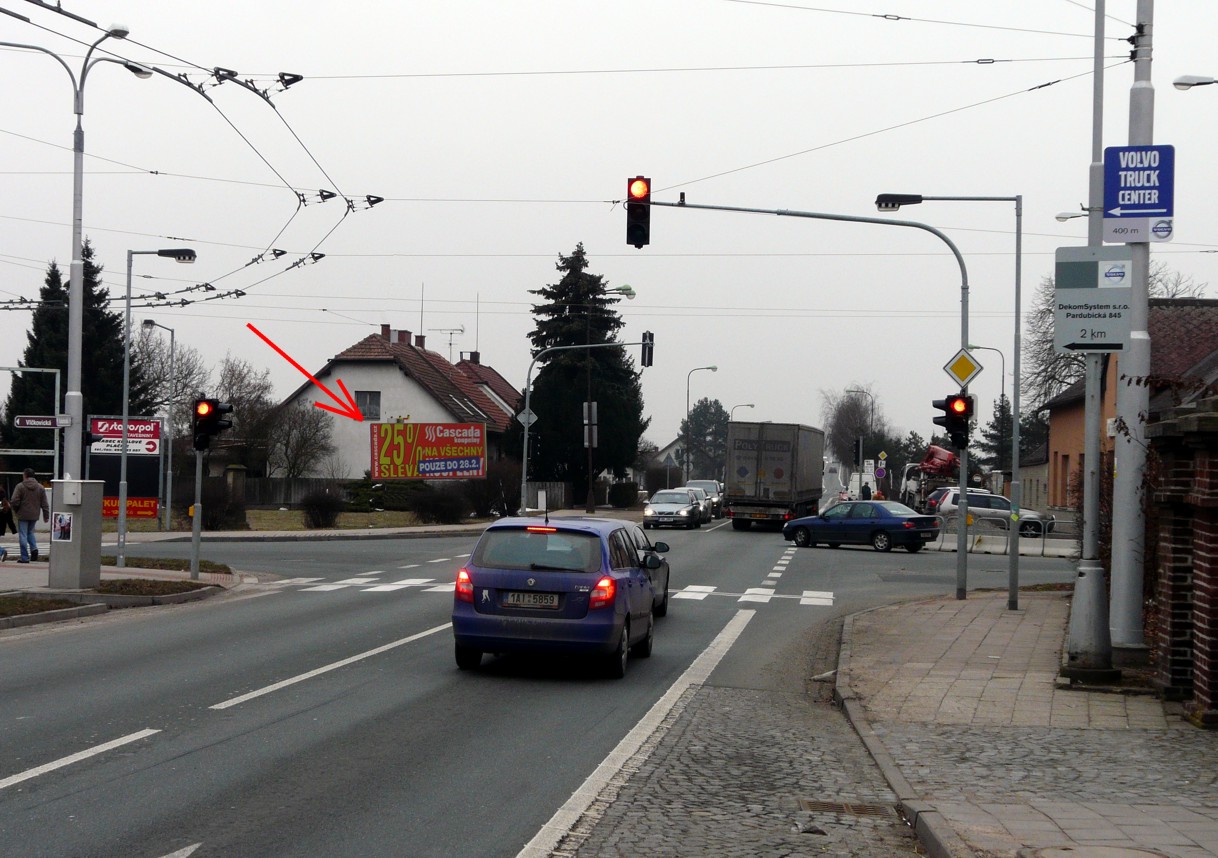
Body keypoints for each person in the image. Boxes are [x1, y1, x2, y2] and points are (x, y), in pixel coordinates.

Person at [10, 468, 49, 563]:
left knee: (23, 535)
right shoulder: (40, 487)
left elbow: (14, 500)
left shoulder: (20, 486)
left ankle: (24, 557)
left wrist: (16, 509)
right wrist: (46, 515)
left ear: (25, 475)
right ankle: (34, 548)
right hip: (35, 515)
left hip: (23, 514)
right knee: (30, 532)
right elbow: (44, 503)